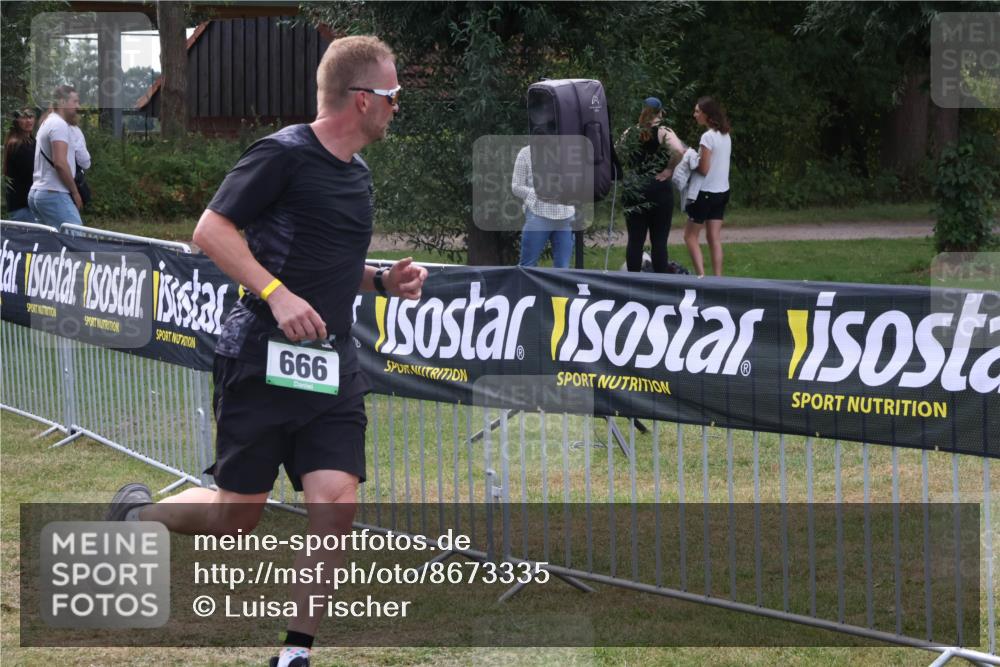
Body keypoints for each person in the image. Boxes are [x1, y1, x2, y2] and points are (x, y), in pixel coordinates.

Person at [105, 36, 427, 667]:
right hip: (259, 356)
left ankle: (294, 655)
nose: (397, 106)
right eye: (393, 95)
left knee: (336, 501)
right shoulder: (281, 154)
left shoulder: (357, 175)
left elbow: (326, 259)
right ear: (362, 100)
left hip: (331, 365)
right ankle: (140, 518)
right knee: (236, 516)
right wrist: (277, 296)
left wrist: (382, 281)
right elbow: (210, 230)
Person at [676, 96, 731, 277]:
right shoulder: (725, 134)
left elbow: (703, 169)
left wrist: (690, 156)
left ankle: (701, 277)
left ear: (707, 114)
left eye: (698, 111)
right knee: (714, 238)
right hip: (722, 192)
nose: (695, 115)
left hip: (705, 193)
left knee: (690, 237)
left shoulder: (707, 137)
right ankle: (718, 278)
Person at [619, 97, 675, 273]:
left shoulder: (630, 131)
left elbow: (617, 151)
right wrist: (668, 170)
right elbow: (679, 150)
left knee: (635, 240)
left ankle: (632, 282)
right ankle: (659, 283)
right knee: (659, 241)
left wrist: (629, 170)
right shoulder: (664, 132)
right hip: (659, 189)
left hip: (635, 188)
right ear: (660, 112)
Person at [28, 85, 84, 228]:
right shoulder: (59, 125)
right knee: (76, 239)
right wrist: (75, 192)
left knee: (49, 244)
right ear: (62, 102)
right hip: (54, 193)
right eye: (75, 101)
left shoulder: (47, 122)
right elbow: (59, 163)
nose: (78, 106)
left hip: (38, 192)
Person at [511, 144, 575, 268]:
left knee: (563, 267)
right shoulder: (525, 153)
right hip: (538, 214)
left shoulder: (568, 152)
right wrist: (539, 193)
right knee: (527, 266)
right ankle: (526, 288)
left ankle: (557, 288)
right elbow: (516, 186)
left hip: (566, 216)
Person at [3, 108, 37, 222]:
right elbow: (32, 171)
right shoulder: (17, 145)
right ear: (16, 121)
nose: (28, 121)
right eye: (24, 117)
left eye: (30, 116)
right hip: (21, 205)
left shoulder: (32, 141)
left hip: (30, 203)